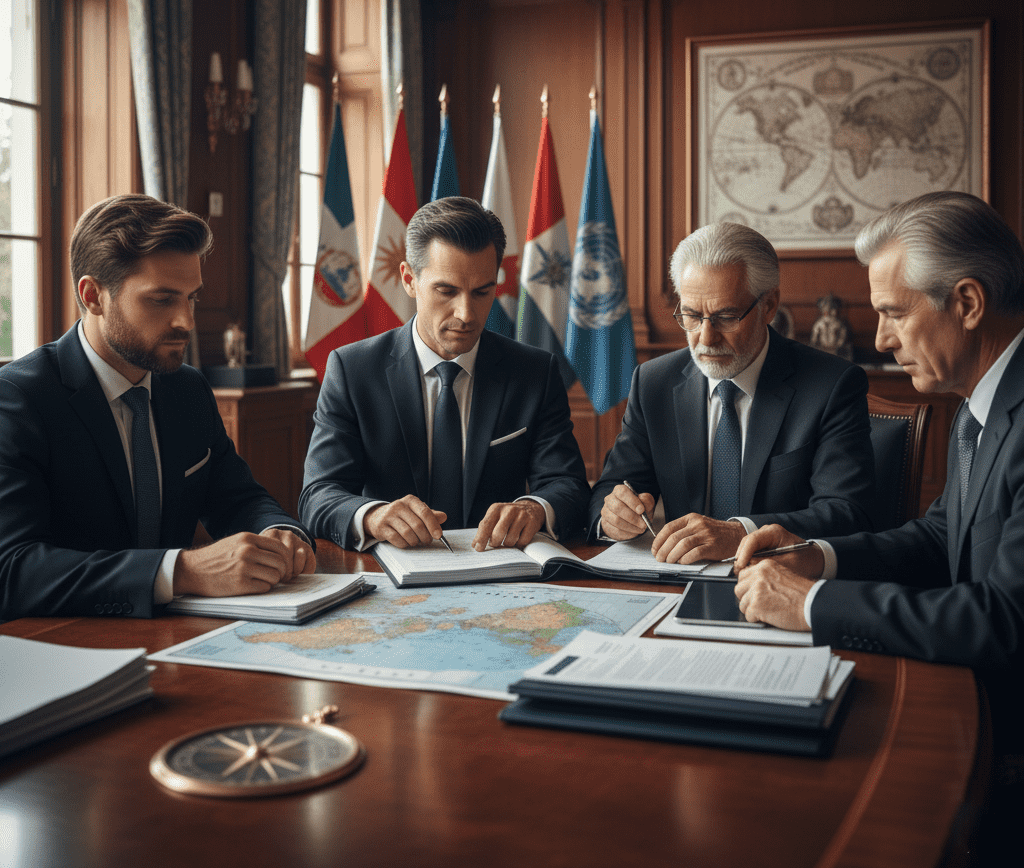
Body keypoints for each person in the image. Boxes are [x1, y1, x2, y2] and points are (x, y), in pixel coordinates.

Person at [733, 192, 1024, 752]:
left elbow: (1004, 620)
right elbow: (941, 537)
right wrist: (818, 555)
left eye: (894, 313)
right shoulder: (978, 405)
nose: (884, 339)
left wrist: (810, 603)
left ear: (966, 303)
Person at [0, 195, 315, 621]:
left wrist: (278, 532)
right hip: (65, 647)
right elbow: (12, 570)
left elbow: (236, 497)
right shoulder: (19, 400)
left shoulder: (187, 389)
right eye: (162, 299)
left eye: (192, 298)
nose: (186, 321)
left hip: (176, 640)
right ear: (93, 296)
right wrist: (180, 570)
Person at [300, 196, 590, 552]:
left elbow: (569, 485)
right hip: (392, 577)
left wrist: (534, 509)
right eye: (446, 291)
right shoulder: (353, 370)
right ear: (409, 279)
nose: (466, 313)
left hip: (500, 571)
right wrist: (373, 516)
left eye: (482, 292)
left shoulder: (534, 372)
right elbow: (318, 495)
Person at [590, 222, 874, 562]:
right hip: (677, 578)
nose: (706, 339)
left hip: (778, 579)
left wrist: (741, 533)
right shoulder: (654, 382)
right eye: (692, 316)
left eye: (725, 317)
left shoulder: (831, 385)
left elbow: (847, 513)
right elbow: (607, 491)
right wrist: (612, 516)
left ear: (769, 306)